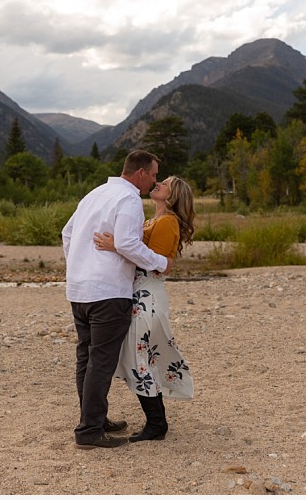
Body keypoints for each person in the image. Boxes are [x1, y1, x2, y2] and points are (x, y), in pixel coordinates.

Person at [61, 150, 173, 450]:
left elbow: (67, 232)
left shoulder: (95, 194)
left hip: (79, 289)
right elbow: (126, 243)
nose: (154, 180)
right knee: (100, 361)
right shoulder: (129, 199)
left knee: (86, 356)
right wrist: (160, 262)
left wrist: (79, 266)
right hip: (108, 292)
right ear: (139, 173)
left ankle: (95, 418)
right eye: (152, 174)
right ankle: (89, 431)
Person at [93, 175, 195, 442]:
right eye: (159, 179)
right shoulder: (153, 220)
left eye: (166, 183)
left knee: (139, 358)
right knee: (139, 357)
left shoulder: (167, 222)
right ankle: (156, 423)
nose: (158, 183)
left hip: (147, 295)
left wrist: (116, 246)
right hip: (139, 294)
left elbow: (160, 263)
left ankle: (157, 425)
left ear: (173, 196)